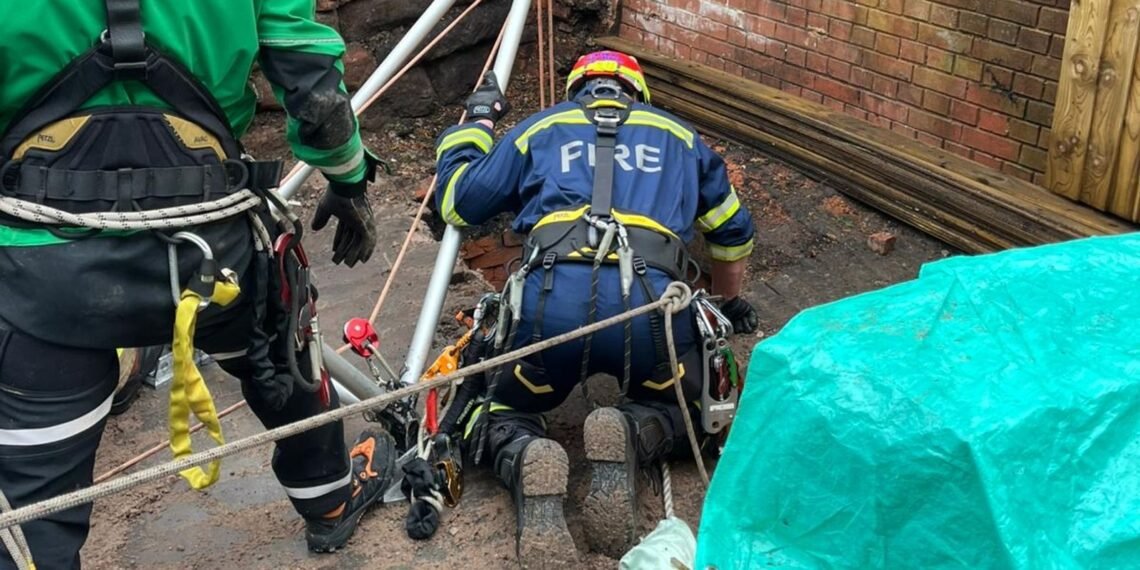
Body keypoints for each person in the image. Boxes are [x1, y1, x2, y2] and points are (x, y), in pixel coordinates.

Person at [0, 1, 397, 568]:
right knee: (284, 359)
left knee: (32, 499)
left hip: (46, 271)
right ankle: (330, 500)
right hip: (214, 252)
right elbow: (310, 76)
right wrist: (348, 175)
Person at [432, 50, 759, 565]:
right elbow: (734, 232)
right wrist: (731, 301)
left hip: (547, 309)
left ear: (578, 88)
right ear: (638, 92)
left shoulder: (541, 127)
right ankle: (632, 431)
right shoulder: (680, 137)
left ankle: (524, 455)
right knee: (700, 413)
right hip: (652, 310)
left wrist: (475, 124)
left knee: (495, 407)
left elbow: (456, 200)